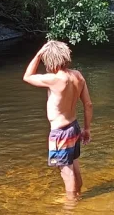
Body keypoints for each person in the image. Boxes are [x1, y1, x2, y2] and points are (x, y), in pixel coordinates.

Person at [22, 40, 93, 199]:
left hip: (60, 132)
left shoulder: (54, 79)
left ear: (50, 60)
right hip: (74, 127)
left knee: (65, 172)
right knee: (74, 165)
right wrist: (87, 129)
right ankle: (78, 194)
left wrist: (39, 53)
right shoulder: (78, 76)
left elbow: (27, 76)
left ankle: (71, 206)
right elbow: (88, 104)